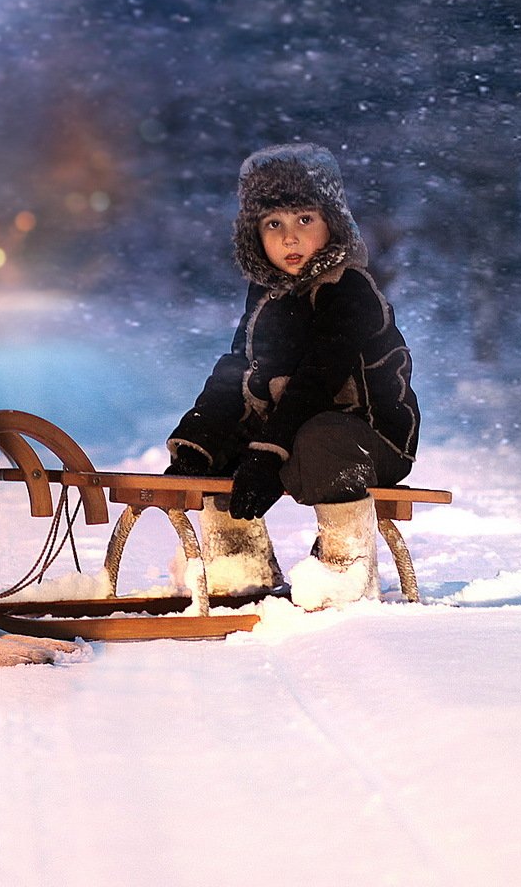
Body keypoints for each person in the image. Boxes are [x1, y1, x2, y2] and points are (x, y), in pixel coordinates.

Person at [164, 143, 420, 610]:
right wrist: (199, 441)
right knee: (225, 442)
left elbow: (318, 380)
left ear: (332, 225)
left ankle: (344, 568)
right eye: (273, 225)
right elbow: (240, 371)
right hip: (295, 431)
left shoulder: (349, 290)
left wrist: (267, 454)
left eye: (305, 220)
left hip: (369, 436)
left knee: (322, 438)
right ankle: (239, 565)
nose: (290, 239)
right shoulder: (265, 297)